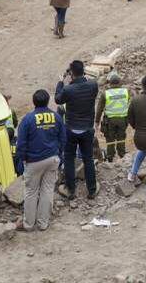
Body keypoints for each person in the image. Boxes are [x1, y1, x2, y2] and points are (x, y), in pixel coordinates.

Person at [15, 89, 64, 232]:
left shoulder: (28, 119)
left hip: (34, 161)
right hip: (52, 159)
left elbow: (21, 143)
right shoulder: (56, 117)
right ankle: (43, 223)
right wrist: (59, 155)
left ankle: (29, 224)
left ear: (33, 102)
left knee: (31, 192)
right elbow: (62, 138)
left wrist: (22, 160)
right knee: (47, 190)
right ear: (48, 101)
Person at [55, 60, 99, 199]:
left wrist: (61, 81)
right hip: (87, 129)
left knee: (69, 158)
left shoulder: (68, 90)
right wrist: (78, 76)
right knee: (88, 159)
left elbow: (58, 99)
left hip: (71, 130)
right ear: (83, 71)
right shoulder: (93, 85)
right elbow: (86, 82)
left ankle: (70, 190)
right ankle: (91, 190)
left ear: (71, 74)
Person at [96, 71, 130, 162]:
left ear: (110, 83)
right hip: (123, 119)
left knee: (110, 139)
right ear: (120, 83)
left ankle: (110, 157)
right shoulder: (126, 92)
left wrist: (97, 122)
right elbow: (129, 105)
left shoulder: (105, 94)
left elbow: (99, 109)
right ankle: (122, 156)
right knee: (121, 138)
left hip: (110, 120)